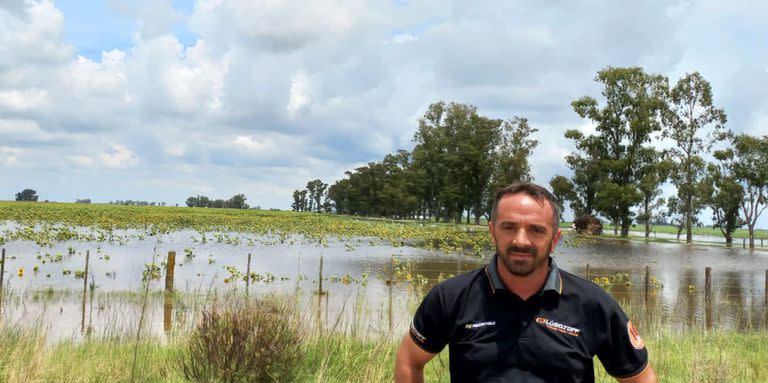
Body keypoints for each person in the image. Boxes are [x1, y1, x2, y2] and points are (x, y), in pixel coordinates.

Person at [394, 182, 657, 382]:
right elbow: (409, 360)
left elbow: (640, 377)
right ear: (493, 231)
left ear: (554, 239)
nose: (521, 240)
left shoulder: (592, 303)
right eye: (509, 227)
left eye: (536, 230)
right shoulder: (451, 297)